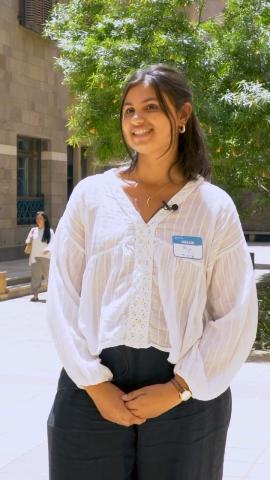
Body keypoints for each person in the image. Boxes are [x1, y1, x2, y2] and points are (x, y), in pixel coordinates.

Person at [46, 64, 258, 480]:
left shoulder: (213, 207)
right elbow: (64, 296)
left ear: (182, 116)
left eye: (150, 108)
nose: (137, 120)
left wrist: (178, 389)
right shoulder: (92, 197)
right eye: (129, 110)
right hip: (92, 389)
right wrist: (95, 385)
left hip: (187, 396)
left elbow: (234, 313)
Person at [25, 211, 54, 302]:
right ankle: (35, 295)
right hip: (35, 257)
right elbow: (27, 241)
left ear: (44, 219)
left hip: (46, 257)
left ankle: (51, 296)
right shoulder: (33, 230)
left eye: (40, 218)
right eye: (37, 218)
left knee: (49, 277)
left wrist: (47, 249)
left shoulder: (50, 231)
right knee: (35, 277)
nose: (38, 220)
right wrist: (29, 240)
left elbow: (53, 243)